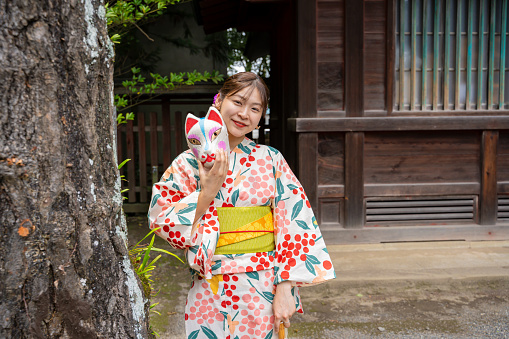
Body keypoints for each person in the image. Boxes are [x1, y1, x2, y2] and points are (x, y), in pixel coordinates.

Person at [148, 72, 335, 339]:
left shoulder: (270, 159)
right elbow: (161, 220)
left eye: (255, 108)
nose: (244, 113)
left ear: (261, 117)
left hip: (262, 286)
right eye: (238, 102)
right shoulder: (187, 163)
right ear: (219, 101)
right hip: (209, 286)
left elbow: (295, 225)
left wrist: (286, 288)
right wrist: (208, 191)